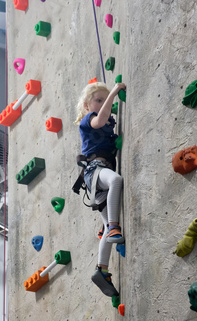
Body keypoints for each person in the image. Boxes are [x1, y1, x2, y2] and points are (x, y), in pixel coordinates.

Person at [74, 81, 126, 297]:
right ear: (87, 105)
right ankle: (114, 226)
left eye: (106, 100)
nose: (104, 103)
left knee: (104, 229)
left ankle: (101, 270)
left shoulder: (105, 121)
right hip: (96, 169)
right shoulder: (87, 121)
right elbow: (100, 120)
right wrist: (113, 92)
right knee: (116, 181)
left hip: (98, 173)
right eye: (99, 100)